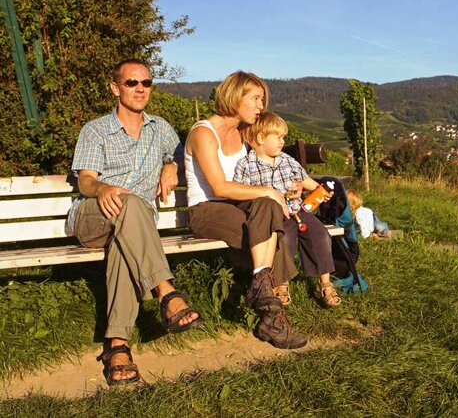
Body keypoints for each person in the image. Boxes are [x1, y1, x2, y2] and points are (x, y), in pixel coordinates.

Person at [66, 59, 204, 386]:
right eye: (132, 83)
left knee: (123, 244)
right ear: (116, 88)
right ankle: (167, 293)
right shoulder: (96, 130)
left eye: (146, 82)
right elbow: (85, 181)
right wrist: (101, 189)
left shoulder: (160, 128)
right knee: (128, 204)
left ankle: (117, 347)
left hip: (131, 227)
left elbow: (185, 153)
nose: (140, 88)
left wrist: (174, 167)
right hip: (92, 216)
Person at [184, 71, 307, 349]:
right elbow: (219, 187)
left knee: (267, 208)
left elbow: (271, 160)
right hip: (207, 209)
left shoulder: (244, 132)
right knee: (268, 229)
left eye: (262, 99)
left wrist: (291, 187)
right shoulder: (204, 132)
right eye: (255, 98)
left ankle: (262, 294)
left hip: (241, 207)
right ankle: (273, 317)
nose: (261, 106)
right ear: (235, 97)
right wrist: (267, 191)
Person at [234, 112, 341, 308]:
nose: (283, 141)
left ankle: (325, 282)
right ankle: (281, 283)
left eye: (284, 137)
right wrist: (276, 195)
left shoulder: (287, 160)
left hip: (298, 211)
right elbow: (243, 192)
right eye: (279, 137)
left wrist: (319, 190)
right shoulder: (246, 165)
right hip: (275, 216)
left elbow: (305, 180)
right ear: (260, 138)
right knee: (284, 239)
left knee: (320, 235)